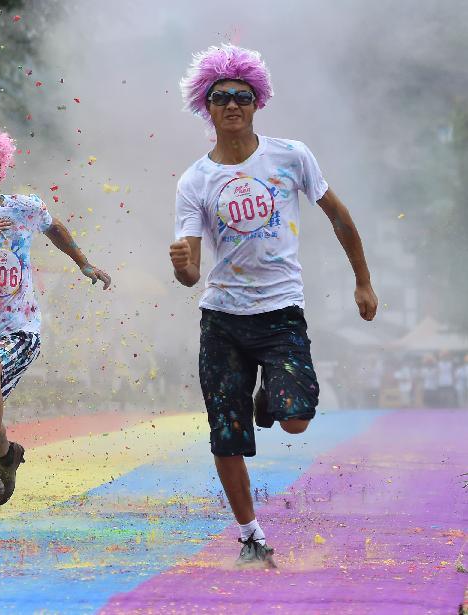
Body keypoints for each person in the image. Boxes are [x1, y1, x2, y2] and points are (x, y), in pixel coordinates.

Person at [170, 44, 378, 568]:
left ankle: (272, 398)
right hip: (222, 318)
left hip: (281, 312)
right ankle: (251, 535)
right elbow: (191, 271)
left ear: (257, 101)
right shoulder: (195, 180)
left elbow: (340, 217)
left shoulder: (291, 155)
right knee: (225, 432)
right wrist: (180, 266)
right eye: (221, 97)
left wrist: (363, 283)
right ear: (207, 107)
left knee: (295, 421)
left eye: (243, 96)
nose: (233, 104)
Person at [0, 119, 111, 505]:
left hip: (18, 328)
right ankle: (7, 452)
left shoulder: (24, 207)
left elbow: (54, 227)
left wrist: (83, 263)